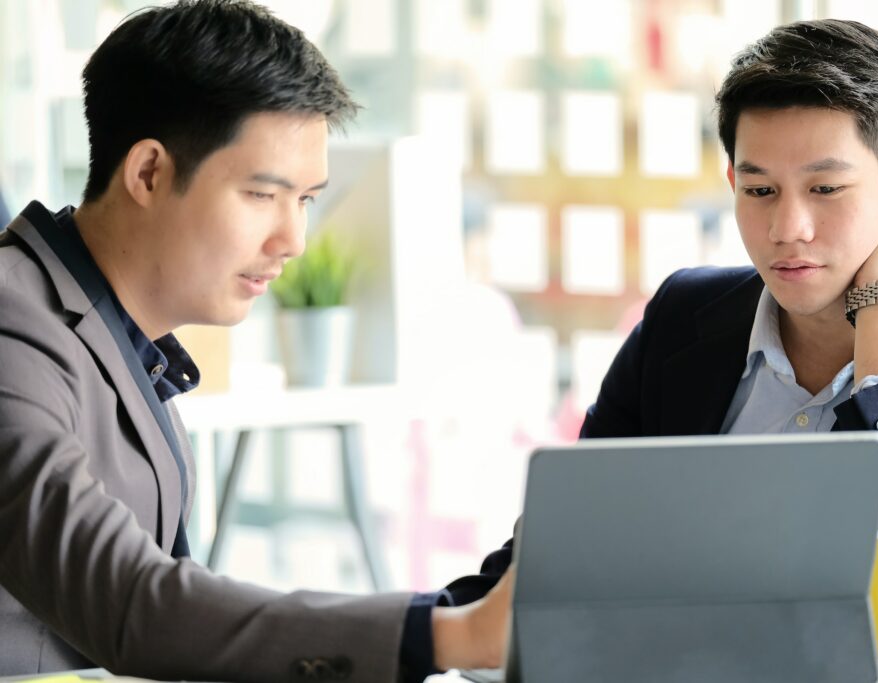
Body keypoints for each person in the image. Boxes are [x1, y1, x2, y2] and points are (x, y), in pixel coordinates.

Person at [0, 1, 510, 681]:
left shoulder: (121, 338)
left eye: (305, 200)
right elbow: (129, 602)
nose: (292, 241)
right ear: (148, 172)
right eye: (261, 195)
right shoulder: (13, 325)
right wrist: (443, 634)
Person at [449, 18, 878, 612]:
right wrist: (402, 642)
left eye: (825, 189)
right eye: (759, 191)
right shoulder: (683, 318)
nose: (786, 229)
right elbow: (558, 543)